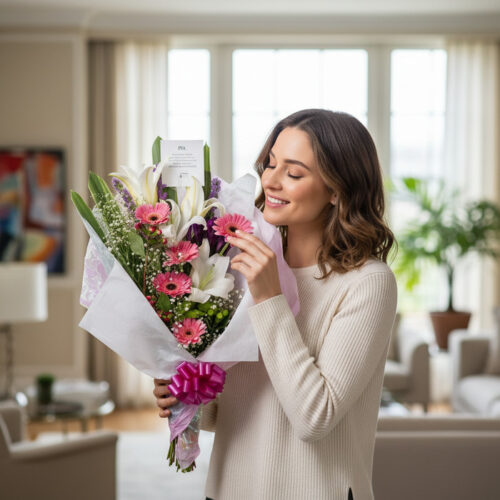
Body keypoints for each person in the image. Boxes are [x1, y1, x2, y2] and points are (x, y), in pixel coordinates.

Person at [153, 109, 398, 500]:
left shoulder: (368, 283)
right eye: (270, 164)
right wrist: (189, 392)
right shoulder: (235, 264)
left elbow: (313, 417)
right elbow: (234, 411)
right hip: (230, 488)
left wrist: (269, 297)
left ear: (337, 190)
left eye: (294, 173)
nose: (270, 180)